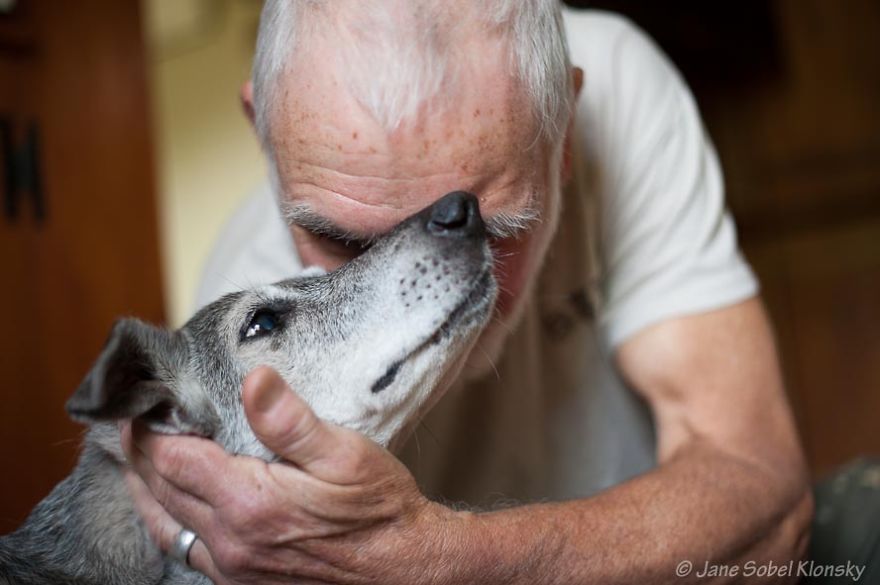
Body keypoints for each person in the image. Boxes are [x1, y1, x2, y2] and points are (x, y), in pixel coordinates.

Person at [120, 1, 814, 583]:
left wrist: (445, 560)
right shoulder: (238, 316)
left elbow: (771, 507)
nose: (425, 287)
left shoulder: (624, 86)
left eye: (490, 227)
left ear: (564, 134)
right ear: (263, 135)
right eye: (346, 242)